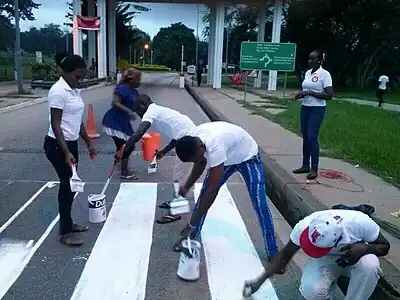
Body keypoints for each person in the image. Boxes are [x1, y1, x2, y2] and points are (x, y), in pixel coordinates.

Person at [172, 121, 278, 258]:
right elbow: (200, 163)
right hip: (226, 159)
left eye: (196, 157)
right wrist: (186, 186)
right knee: (203, 195)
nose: (197, 160)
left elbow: (212, 190)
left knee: (259, 203)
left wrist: (191, 223)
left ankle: (273, 252)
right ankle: (190, 238)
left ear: (200, 148)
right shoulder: (194, 140)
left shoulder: (215, 146)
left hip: (247, 157)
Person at [243, 209, 390, 300]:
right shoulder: (304, 226)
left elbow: (385, 246)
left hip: (356, 259)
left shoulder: (360, 223)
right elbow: (285, 254)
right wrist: (259, 281)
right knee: (311, 290)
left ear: (337, 239)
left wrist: (364, 249)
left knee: (370, 264)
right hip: (327, 259)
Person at [44, 53, 97, 247]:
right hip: (57, 145)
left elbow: (77, 120)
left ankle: (68, 222)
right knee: (67, 186)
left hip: (71, 143)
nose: (80, 80)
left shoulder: (74, 90)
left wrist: (88, 142)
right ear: (66, 73)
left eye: (82, 77)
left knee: (71, 187)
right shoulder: (58, 91)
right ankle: (65, 232)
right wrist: (66, 152)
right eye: (77, 76)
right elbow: (56, 124)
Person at [122, 94, 198, 223]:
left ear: (142, 105)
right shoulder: (158, 110)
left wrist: (124, 148)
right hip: (185, 139)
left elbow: (140, 132)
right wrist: (163, 151)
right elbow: (176, 136)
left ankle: (176, 212)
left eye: (137, 110)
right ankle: (176, 201)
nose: (138, 114)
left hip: (189, 143)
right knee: (178, 176)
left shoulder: (151, 111)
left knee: (180, 178)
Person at [290, 50, 334, 180]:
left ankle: (314, 168)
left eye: (313, 59)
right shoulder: (308, 73)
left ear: (319, 61)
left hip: (317, 109)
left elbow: (329, 95)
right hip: (305, 107)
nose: (310, 61)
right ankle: (305, 165)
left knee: (312, 136)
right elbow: (305, 90)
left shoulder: (325, 75)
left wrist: (309, 93)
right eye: (309, 59)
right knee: (305, 136)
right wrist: (299, 94)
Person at [102, 68, 141, 180]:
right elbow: (115, 103)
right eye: (138, 79)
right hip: (114, 122)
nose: (140, 82)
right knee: (128, 146)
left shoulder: (134, 91)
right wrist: (128, 111)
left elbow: (137, 106)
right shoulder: (122, 88)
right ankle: (124, 172)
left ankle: (119, 157)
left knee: (125, 145)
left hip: (123, 122)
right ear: (131, 79)